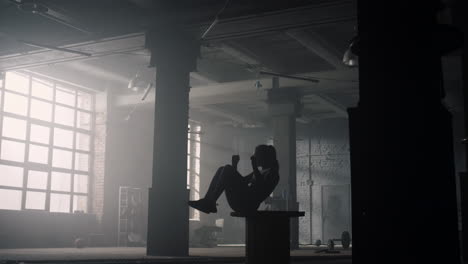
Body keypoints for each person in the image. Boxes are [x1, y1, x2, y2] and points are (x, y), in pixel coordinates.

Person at [188, 144, 279, 213]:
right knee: (222, 169)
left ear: (263, 157)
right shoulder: (260, 172)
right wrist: (235, 165)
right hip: (242, 199)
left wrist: (254, 167)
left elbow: (260, 188)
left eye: (256, 155)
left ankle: (210, 202)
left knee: (227, 168)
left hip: (248, 204)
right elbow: (242, 182)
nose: (253, 157)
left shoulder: (273, 174)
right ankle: (208, 200)